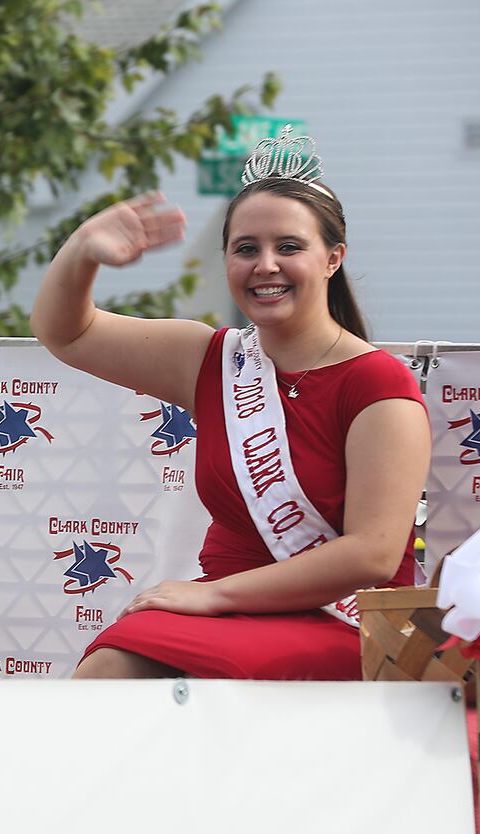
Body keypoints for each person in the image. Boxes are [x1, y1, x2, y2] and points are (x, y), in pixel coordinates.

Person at [29, 127, 429, 680]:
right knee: (109, 671)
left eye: (288, 247)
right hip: (228, 607)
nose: (265, 265)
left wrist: (215, 596)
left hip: (343, 620)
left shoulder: (378, 385)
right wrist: (82, 251)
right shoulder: (210, 359)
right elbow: (65, 334)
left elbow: (373, 556)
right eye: (246, 249)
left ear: (333, 258)